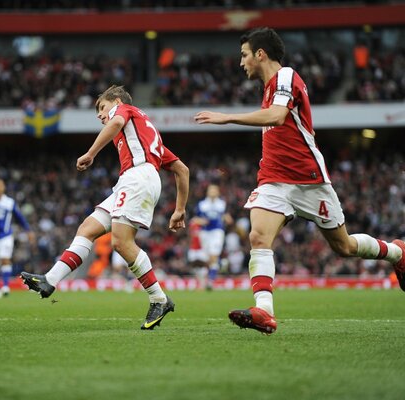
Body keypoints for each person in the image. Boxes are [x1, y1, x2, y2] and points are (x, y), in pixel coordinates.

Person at [194, 27, 405, 334]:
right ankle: (263, 311)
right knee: (258, 237)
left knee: (343, 247)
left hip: (309, 180)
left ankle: (397, 252)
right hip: (273, 180)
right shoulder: (269, 87)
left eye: (244, 55)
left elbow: (277, 116)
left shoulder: (285, 77)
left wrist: (227, 117)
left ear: (260, 54)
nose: (241, 63)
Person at [21, 85, 190, 330]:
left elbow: (115, 123)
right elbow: (182, 170)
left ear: (117, 101)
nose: (101, 115)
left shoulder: (124, 110)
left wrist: (91, 153)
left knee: (121, 243)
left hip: (138, 177)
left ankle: (159, 299)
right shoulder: (146, 134)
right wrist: (179, 209)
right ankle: (50, 280)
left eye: (102, 108)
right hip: (134, 179)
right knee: (87, 228)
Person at [0, 178, 34, 298]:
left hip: (5, 236)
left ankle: (5, 286)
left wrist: (28, 230)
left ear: (3, 187)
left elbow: (19, 217)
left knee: (5, 259)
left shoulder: (9, 202)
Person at [192, 184, 233, 290]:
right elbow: (195, 219)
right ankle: (221, 264)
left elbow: (228, 217)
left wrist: (227, 219)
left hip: (217, 231)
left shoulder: (222, 204)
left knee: (213, 255)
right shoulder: (202, 204)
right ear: (207, 192)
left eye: (215, 190)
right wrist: (201, 221)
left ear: (218, 192)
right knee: (209, 259)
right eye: (211, 190)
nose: (213, 192)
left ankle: (210, 281)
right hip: (205, 233)